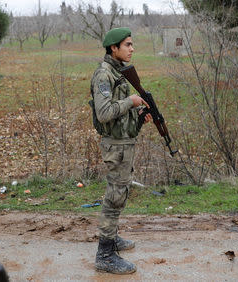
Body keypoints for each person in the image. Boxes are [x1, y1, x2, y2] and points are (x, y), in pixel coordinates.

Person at [90, 27, 152, 274]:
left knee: (120, 193)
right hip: (115, 147)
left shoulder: (119, 72)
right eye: (127, 44)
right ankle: (104, 254)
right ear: (113, 48)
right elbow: (104, 113)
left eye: (132, 44)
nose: (132, 48)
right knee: (114, 197)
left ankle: (112, 238)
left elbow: (120, 113)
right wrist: (132, 101)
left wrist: (138, 116)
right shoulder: (104, 75)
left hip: (123, 143)